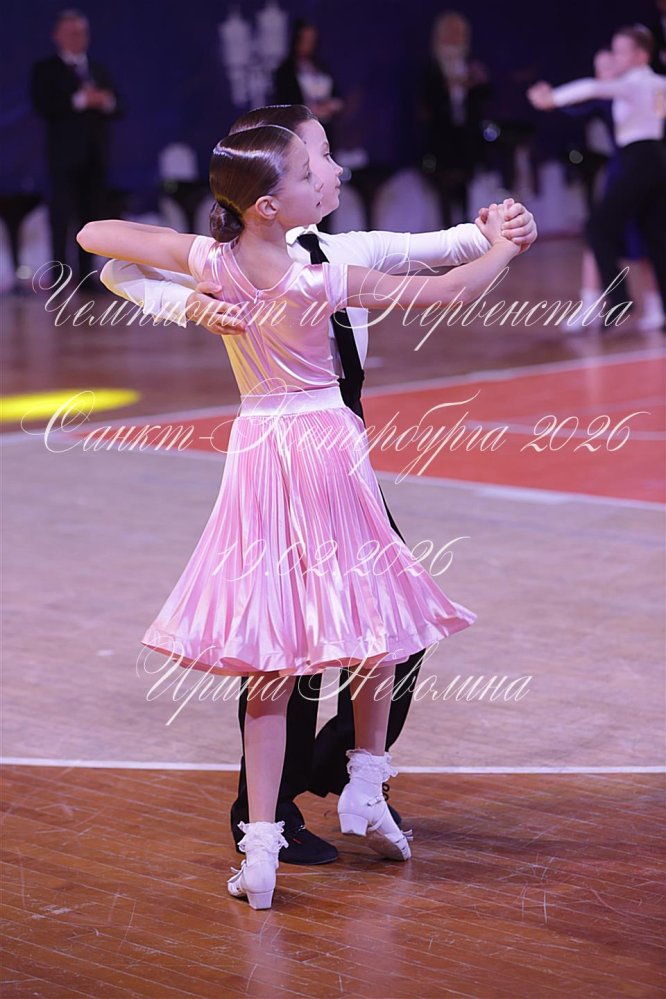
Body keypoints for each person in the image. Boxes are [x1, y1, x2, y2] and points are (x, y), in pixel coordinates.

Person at [77, 121, 527, 909]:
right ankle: (358, 782)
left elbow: (97, 236)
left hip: (260, 451)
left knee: (279, 646)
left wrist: (193, 300)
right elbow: (449, 290)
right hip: (325, 448)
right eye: (311, 165)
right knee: (371, 615)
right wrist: (505, 249)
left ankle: (264, 845)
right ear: (269, 203)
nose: (329, 171)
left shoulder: (219, 258)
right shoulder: (317, 278)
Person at [528, 24, 666, 331]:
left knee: (598, 228)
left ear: (641, 55)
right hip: (656, 159)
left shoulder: (634, 83)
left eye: (621, 52)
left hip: (640, 160)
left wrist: (551, 98)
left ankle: (619, 299)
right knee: (655, 236)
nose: (616, 58)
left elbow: (591, 88)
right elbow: (659, 113)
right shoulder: (658, 84)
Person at [30, 8, 123, 289]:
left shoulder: (98, 69)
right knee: (61, 217)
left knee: (91, 217)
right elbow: (43, 105)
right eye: (71, 33)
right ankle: (59, 277)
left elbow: (119, 105)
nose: (78, 38)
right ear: (57, 36)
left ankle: (86, 277)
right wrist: (80, 100)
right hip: (63, 158)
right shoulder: (46, 70)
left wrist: (105, 101)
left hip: (95, 156)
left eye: (82, 33)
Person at [419, 10, 492, 227]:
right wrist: (451, 86)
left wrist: (479, 82)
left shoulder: (470, 64)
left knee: (466, 188)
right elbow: (426, 101)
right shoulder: (432, 66)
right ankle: (447, 232)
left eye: (459, 32)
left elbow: (485, 97)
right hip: (441, 138)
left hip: (467, 137)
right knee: (444, 188)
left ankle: (467, 230)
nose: (455, 37)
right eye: (450, 32)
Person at [273, 19, 343, 131]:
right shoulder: (285, 72)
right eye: (305, 40)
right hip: (298, 131)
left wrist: (332, 105)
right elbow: (284, 106)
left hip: (325, 129)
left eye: (312, 40)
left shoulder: (323, 68)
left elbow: (337, 97)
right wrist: (312, 109)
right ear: (296, 40)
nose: (309, 44)